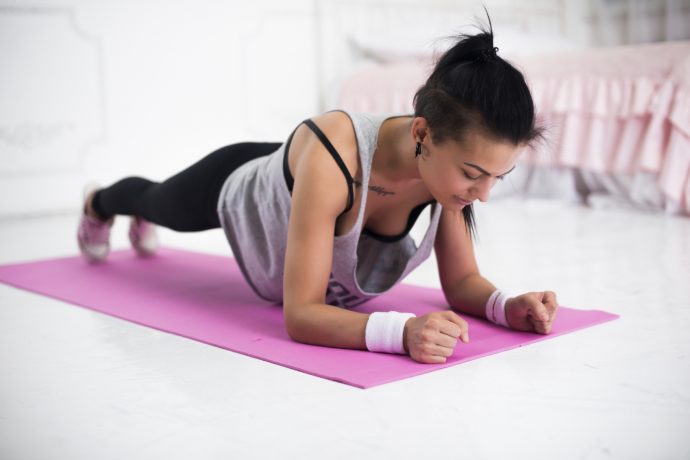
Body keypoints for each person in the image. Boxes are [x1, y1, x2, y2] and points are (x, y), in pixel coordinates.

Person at [76, 18, 558, 365]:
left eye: (499, 176)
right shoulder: (338, 158)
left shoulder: (446, 180)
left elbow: (461, 283)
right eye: (475, 173)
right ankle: (99, 202)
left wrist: (507, 306)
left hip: (305, 174)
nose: (485, 194)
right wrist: (402, 332)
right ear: (421, 134)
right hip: (243, 181)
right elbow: (302, 314)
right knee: (157, 202)